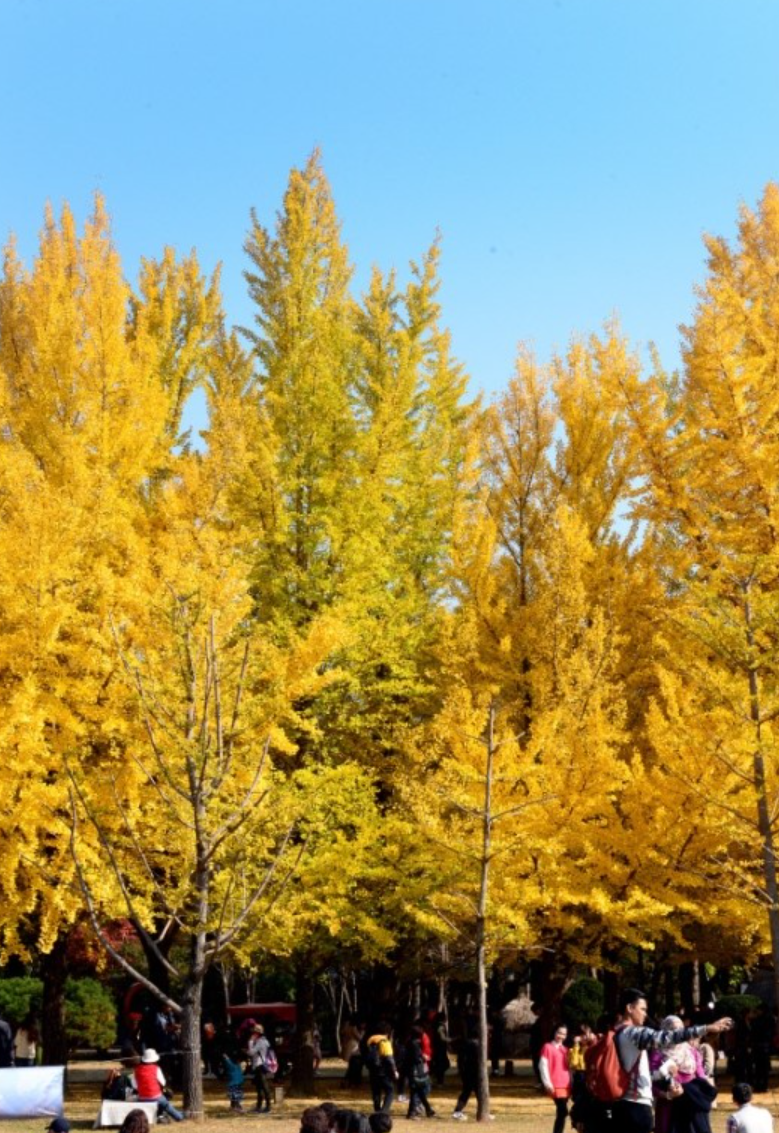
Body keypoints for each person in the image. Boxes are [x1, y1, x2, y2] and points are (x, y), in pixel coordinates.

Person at [613, 989, 732, 1133]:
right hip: (635, 1106)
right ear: (629, 1008)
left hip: (630, 1104)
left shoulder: (618, 1033)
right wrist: (707, 1028)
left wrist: (663, 1075)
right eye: (642, 1009)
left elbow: (643, 1075)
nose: (645, 1014)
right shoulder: (632, 1033)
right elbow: (666, 1038)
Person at [130, 1047, 185, 1122]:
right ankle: (179, 1117)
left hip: (142, 1097)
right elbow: (163, 1082)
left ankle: (162, 1115)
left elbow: (134, 1085)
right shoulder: (156, 1068)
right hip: (155, 1096)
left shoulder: (136, 1070)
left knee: (163, 1102)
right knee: (166, 1105)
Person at [539, 1025, 571, 1133]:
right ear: (554, 1032)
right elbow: (543, 1066)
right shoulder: (547, 1047)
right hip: (555, 1084)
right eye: (559, 1033)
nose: (561, 1036)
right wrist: (547, 1083)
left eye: (564, 1034)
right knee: (563, 1111)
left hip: (566, 1085)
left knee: (561, 1114)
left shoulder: (566, 1050)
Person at [403, 1025, 435, 1119]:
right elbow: (416, 1058)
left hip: (412, 1069)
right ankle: (412, 1113)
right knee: (418, 1090)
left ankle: (428, 1110)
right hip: (416, 1070)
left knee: (419, 1091)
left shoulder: (409, 1042)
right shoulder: (415, 1044)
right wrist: (424, 1057)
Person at [365, 1026, 398, 1113]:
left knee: (376, 1091)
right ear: (387, 1033)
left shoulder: (370, 1041)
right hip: (383, 1072)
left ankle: (377, 1109)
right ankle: (384, 1111)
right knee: (390, 1091)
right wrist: (394, 1071)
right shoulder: (384, 1042)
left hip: (373, 1071)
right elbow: (389, 1058)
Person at [248, 1023, 273, 1114]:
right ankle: (259, 1106)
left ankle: (268, 1106)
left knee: (264, 1086)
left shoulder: (260, 1042)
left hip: (260, 1066)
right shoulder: (265, 1041)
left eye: (253, 1033)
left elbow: (251, 1053)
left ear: (257, 1033)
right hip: (260, 1066)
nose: (252, 1035)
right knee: (259, 1087)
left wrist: (250, 1042)